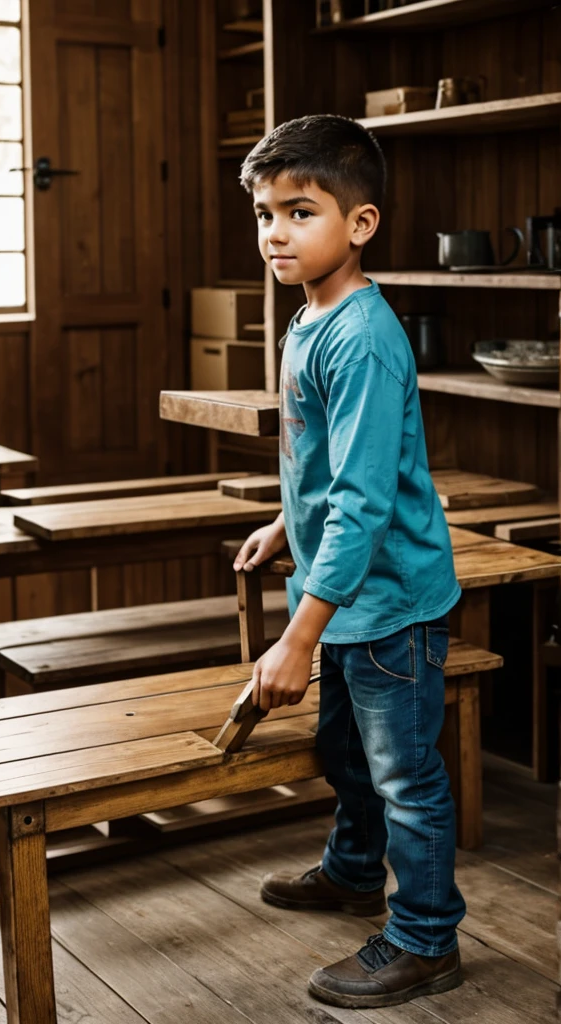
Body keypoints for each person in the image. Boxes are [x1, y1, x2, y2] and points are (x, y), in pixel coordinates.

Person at [232, 114, 466, 1010]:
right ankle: (354, 871)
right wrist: (287, 526)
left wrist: (296, 639)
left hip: (390, 605)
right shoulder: (310, 319)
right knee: (348, 754)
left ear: (360, 225)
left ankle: (426, 936)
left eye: (300, 212)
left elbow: (368, 503)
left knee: (405, 773)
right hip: (340, 594)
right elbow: (327, 465)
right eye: (265, 213)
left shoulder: (362, 337)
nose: (276, 233)